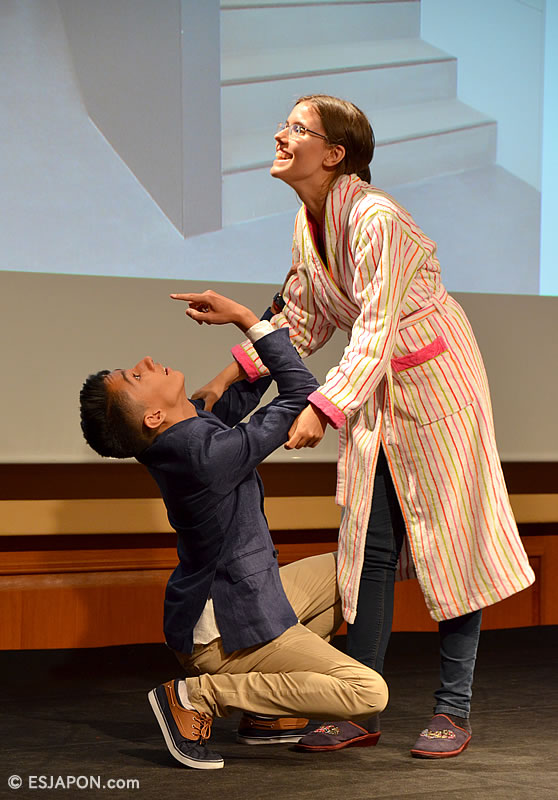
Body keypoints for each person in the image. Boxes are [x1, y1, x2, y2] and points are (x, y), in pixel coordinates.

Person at [189, 96, 536, 759]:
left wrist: (324, 408)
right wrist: (227, 379)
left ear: (334, 153)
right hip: (375, 388)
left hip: (437, 384)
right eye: (285, 124)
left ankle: (453, 708)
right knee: (368, 547)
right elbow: (301, 320)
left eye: (296, 128)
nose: (281, 135)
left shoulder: (377, 218)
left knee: (452, 543)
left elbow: (375, 327)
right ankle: (360, 706)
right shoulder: (308, 223)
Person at [79, 290, 387, 770]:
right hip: (228, 634)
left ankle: (267, 714)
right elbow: (300, 393)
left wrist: (275, 312)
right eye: (136, 376)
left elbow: (244, 392)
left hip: (243, 598)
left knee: (357, 568)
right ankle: (199, 697)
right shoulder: (204, 457)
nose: (146, 361)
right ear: (153, 416)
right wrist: (244, 319)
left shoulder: (182, 433)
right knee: (367, 692)